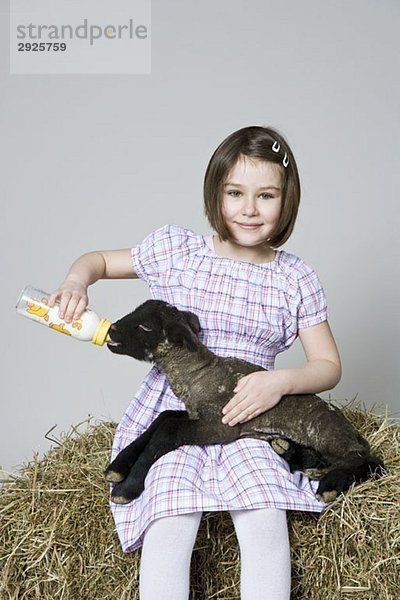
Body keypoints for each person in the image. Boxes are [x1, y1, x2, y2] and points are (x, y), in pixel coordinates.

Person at [50, 126, 341, 600]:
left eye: (265, 195)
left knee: (264, 514)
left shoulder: (294, 278)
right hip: (175, 418)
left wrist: (280, 381)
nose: (249, 209)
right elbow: (98, 260)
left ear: (286, 201)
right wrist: (76, 280)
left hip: (251, 417)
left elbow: (327, 365)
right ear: (216, 194)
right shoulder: (180, 253)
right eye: (235, 193)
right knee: (170, 515)